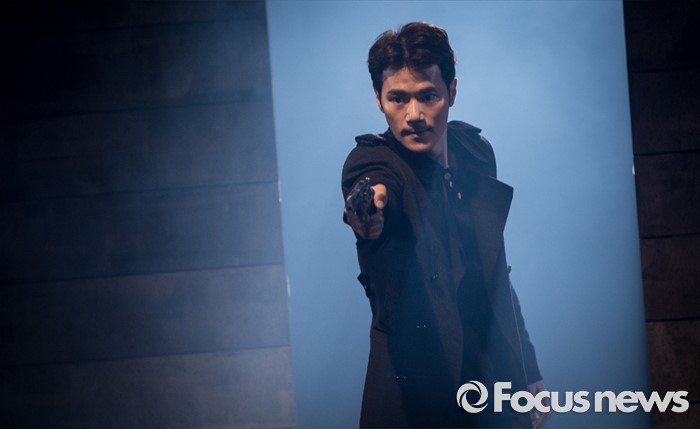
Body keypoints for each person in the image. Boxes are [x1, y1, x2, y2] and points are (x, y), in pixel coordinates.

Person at [341, 22, 550, 428]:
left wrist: (528, 368)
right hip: (414, 394)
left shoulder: (475, 152)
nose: (414, 115)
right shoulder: (374, 161)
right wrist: (366, 209)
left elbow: (495, 272)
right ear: (379, 100)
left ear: (452, 92)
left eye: (428, 96)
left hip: (489, 382)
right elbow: (370, 188)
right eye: (398, 99)